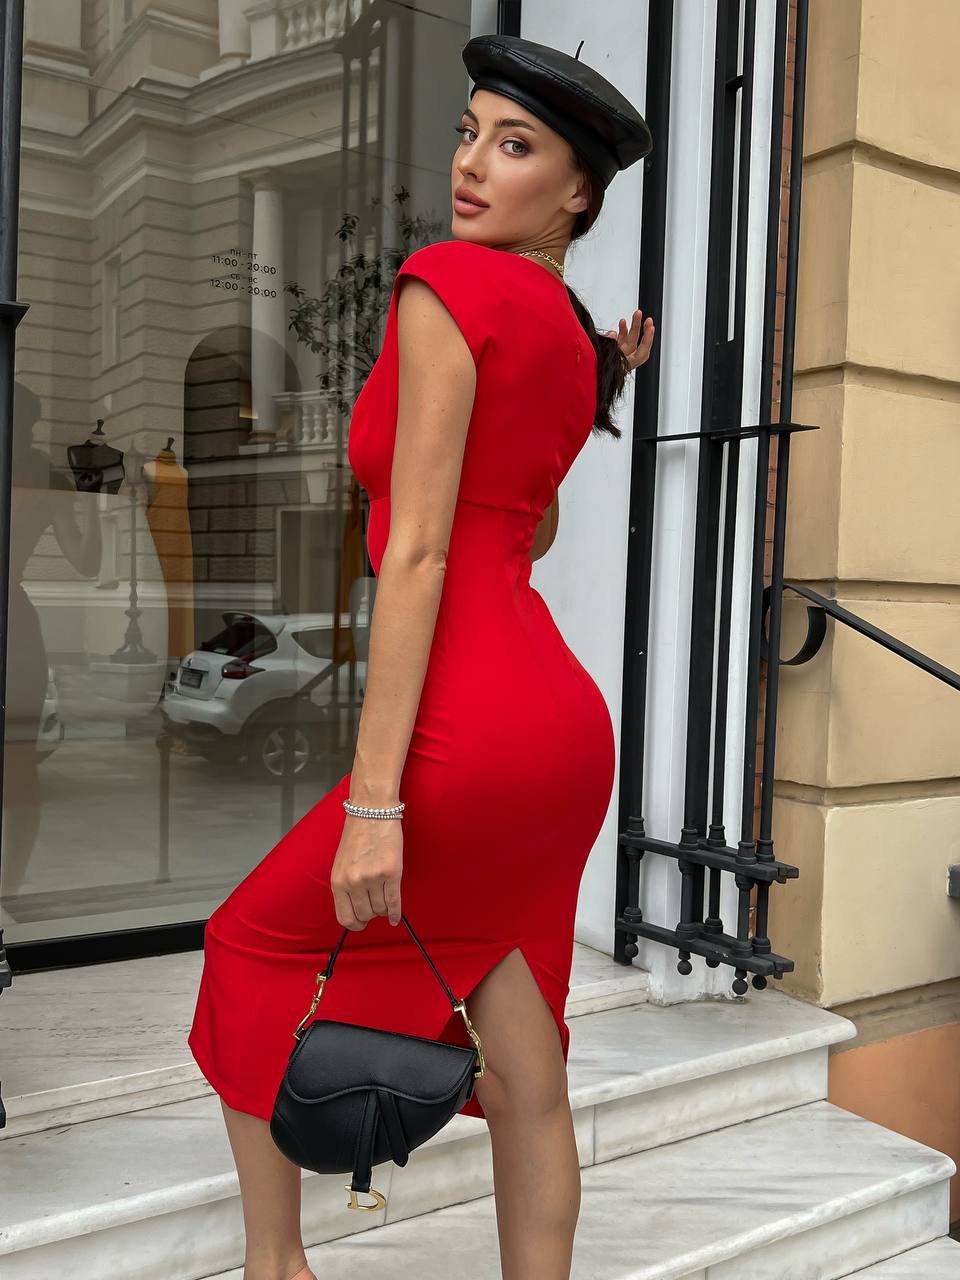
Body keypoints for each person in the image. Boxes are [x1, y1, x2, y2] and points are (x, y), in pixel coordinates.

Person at [187, 32, 654, 1280]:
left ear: (575, 195)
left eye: (516, 145)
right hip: (558, 725)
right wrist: (612, 368)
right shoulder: (566, 337)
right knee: (525, 1050)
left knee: (249, 946)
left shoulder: (447, 283)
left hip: (469, 719)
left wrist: (376, 800)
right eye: (469, 131)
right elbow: (532, 524)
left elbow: (419, 558)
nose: (472, 163)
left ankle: (274, 1266)